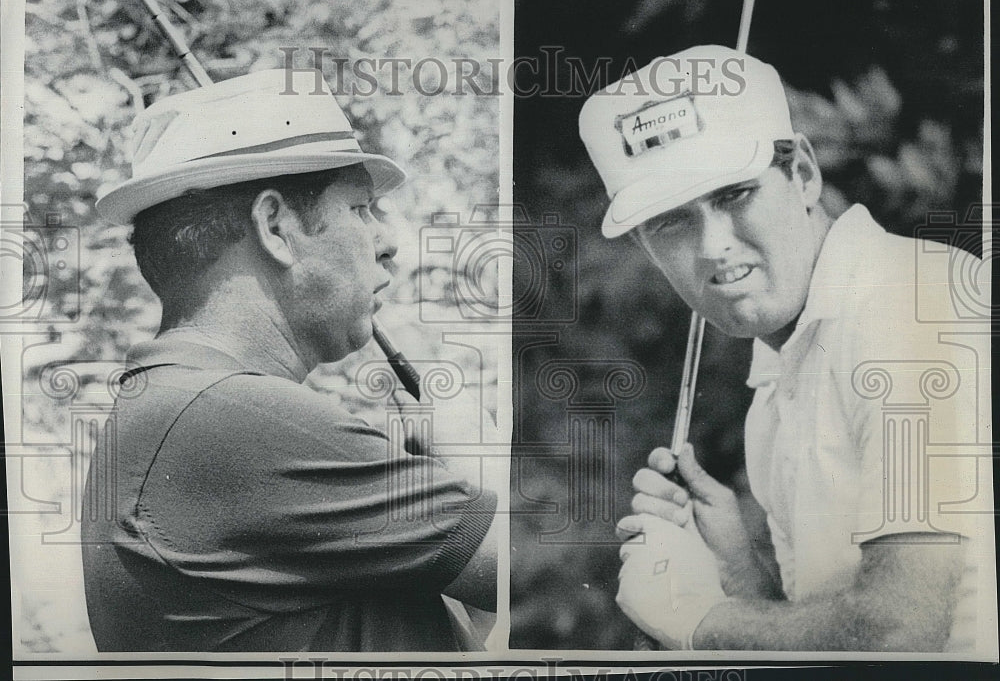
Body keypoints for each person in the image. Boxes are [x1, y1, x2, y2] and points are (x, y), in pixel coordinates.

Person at [579, 46, 990, 652]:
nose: (714, 246)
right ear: (645, 246)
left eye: (733, 195)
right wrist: (738, 570)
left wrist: (698, 620)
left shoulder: (906, 304)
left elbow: (905, 631)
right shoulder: (780, 374)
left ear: (802, 173)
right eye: (671, 222)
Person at [82, 68, 498, 652]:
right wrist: (480, 459)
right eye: (361, 208)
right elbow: (531, 570)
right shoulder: (231, 415)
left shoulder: (167, 406)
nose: (388, 239)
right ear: (275, 227)